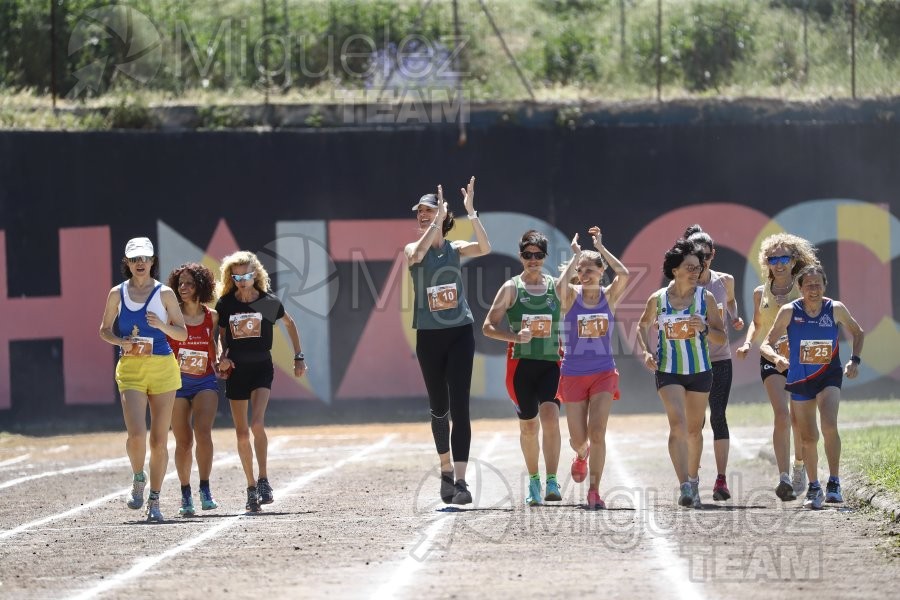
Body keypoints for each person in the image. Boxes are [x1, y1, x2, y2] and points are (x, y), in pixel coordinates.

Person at [405, 176, 491, 506]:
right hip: (429, 338)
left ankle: (461, 480)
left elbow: (484, 247)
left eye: (429, 210)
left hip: (459, 334)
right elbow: (416, 255)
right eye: (420, 212)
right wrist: (437, 222)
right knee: (439, 409)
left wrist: (471, 212)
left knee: (461, 408)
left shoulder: (455, 249)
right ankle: (444, 470)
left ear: (442, 215)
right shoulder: (414, 249)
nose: (423, 215)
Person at [760, 264, 864, 509]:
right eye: (809, 285)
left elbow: (858, 333)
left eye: (818, 285)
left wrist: (854, 360)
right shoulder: (788, 311)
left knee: (828, 424)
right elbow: (766, 343)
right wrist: (777, 358)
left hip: (829, 375)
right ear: (800, 288)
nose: (814, 290)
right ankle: (815, 486)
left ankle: (834, 483)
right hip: (800, 378)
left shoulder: (835, 309)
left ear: (825, 286)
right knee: (808, 437)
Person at [98, 237, 187, 522]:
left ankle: (155, 500)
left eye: (144, 258)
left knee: (159, 441)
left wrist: (162, 325)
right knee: (137, 435)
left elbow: (182, 334)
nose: (140, 263)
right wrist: (120, 341)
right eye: (134, 259)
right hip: (131, 369)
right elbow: (104, 330)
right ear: (126, 263)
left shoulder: (166, 294)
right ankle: (139, 477)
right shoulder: (116, 294)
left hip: (163, 368)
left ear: (152, 262)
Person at [636, 239, 726, 509]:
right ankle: (684, 485)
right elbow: (641, 326)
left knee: (694, 431)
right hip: (668, 370)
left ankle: (695, 479)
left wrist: (706, 328)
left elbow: (722, 338)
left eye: (698, 268)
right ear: (674, 270)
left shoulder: (705, 298)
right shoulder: (658, 299)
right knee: (677, 424)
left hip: (699, 370)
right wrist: (646, 352)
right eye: (689, 267)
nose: (695, 272)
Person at [215, 251, 306, 513]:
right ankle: (251, 486)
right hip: (236, 370)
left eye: (246, 275)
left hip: (261, 367)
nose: (242, 280)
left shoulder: (266, 302)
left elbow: (290, 324)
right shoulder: (227, 304)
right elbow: (219, 336)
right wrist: (221, 357)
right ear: (231, 277)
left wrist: (298, 357)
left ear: (255, 274)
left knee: (257, 424)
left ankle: (264, 479)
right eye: (237, 276)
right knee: (241, 432)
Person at [483, 230, 566, 506]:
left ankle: (552, 480)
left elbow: (586, 304)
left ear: (545, 257)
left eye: (539, 255)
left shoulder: (555, 286)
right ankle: (533, 481)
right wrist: (515, 337)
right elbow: (488, 327)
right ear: (521, 256)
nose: (533, 260)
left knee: (551, 418)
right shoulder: (511, 288)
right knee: (529, 427)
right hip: (521, 367)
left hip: (551, 364)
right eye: (528, 255)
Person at [736, 233, 818, 501]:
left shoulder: (804, 288)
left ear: (794, 260)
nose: (779, 263)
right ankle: (783, 478)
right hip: (771, 358)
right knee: (781, 415)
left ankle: (798, 467)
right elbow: (757, 324)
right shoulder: (760, 292)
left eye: (784, 258)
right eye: (773, 259)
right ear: (766, 262)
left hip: (801, 360)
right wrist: (748, 343)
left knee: (798, 418)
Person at [557, 226, 630, 509]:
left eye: (590, 270)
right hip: (573, 373)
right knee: (579, 438)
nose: (584, 274)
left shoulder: (608, 297)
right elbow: (559, 289)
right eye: (581, 270)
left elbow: (623, 274)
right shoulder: (571, 296)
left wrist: (600, 248)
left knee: (597, 432)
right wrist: (574, 257)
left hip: (603, 371)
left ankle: (594, 491)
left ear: (601, 271)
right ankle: (581, 454)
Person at [684, 225, 745, 501]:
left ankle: (721, 480)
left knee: (718, 415)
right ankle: (692, 476)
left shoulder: (725, 281)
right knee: (693, 423)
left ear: (713, 254)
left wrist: (734, 317)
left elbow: (730, 302)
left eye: (706, 255)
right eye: (696, 255)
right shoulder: (681, 285)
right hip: (690, 361)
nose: (702, 260)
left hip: (719, 358)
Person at [165, 262, 221, 516]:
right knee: (183, 442)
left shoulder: (213, 316)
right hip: (175, 384)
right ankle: (185, 493)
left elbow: (216, 345)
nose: (183, 288)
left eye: (189, 283)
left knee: (203, 432)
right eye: (180, 284)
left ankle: (205, 489)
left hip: (205, 380)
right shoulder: (170, 314)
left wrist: (221, 360)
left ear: (201, 285)